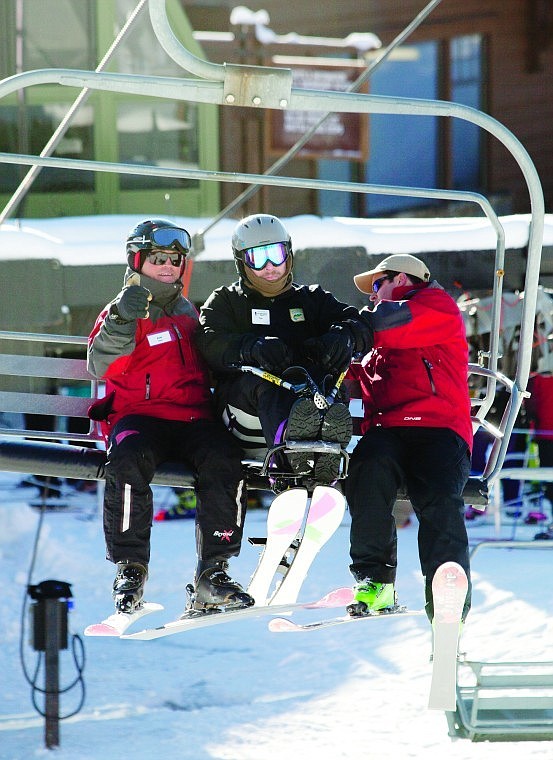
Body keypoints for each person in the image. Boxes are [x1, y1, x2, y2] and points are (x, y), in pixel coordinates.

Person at [87, 218, 253, 615]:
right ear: (137, 260)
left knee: (226, 457)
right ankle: (131, 566)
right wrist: (122, 320)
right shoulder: (122, 308)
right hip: (141, 416)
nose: (167, 266)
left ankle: (214, 571)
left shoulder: (188, 312)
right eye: (158, 258)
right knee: (127, 458)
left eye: (175, 259)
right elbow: (100, 365)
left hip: (194, 419)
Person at [195, 213, 372, 486]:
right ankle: (287, 463)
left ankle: (325, 455)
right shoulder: (227, 301)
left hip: (308, 403)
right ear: (242, 262)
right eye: (257, 258)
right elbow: (209, 341)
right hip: (244, 415)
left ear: (288, 254)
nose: (269, 266)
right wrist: (249, 349)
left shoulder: (310, 300)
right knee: (266, 383)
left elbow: (359, 324)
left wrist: (344, 337)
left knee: (320, 378)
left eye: (275, 254)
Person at [344, 254, 473, 623]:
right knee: (367, 470)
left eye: (376, 285)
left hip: (438, 429)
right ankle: (374, 579)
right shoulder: (380, 338)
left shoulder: (435, 305)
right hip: (389, 431)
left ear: (401, 278)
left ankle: (447, 590)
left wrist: (347, 326)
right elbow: (353, 362)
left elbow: (390, 322)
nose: (372, 296)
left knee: (437, 494)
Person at [525, 371, 553, 538]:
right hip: (545, 433)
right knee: (549, 481)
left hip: (545, 433)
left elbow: (530, 403)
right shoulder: (538, 376)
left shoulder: (538, 377)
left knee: (549, 480)